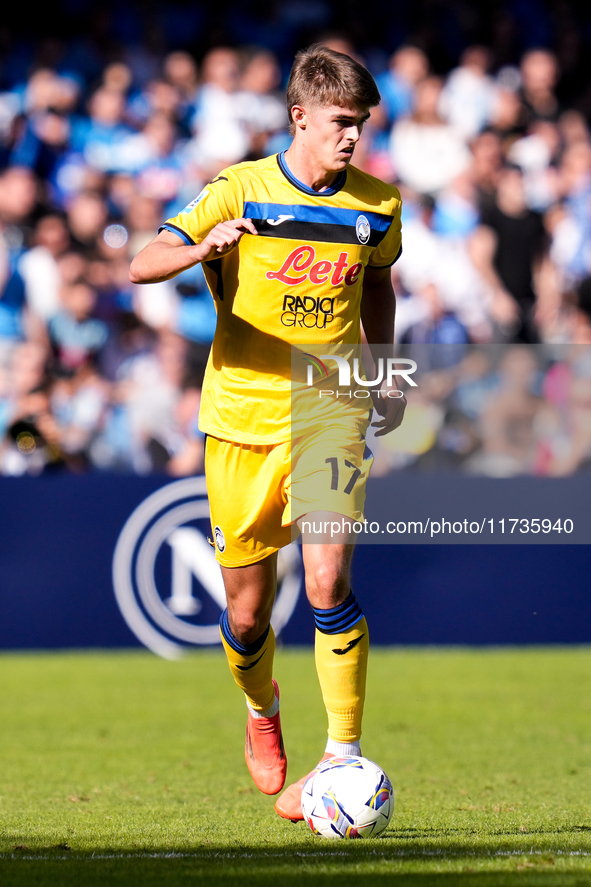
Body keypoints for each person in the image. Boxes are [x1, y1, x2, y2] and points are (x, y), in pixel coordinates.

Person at [129, 44, 405, 822]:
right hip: (240, 418)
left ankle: (339, 757)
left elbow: (378, 280)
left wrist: (379, 368)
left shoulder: (377, 204)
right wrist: (198, 247)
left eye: (362, 124)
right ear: (300, 116)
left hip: (329, 410)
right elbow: (140, 263)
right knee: (248, 616)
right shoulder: (237, 188)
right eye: (341, 122)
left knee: (326, 583)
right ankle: (261, 707)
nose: (353, 137)